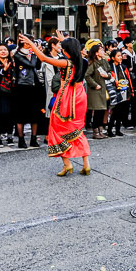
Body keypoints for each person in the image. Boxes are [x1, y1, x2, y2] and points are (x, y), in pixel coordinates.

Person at [19, 33, 92, 177]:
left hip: (67, 96)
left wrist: (30, 43)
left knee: (56, 129)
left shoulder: (67, 62)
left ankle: (67, 164)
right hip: (80, 95)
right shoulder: (83, 60)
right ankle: (86, 164)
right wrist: (65, 41)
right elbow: (73, 48)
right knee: (77, 130)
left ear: (66, 51)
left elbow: (44, 58)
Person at [14, 36, 44, 148]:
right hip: (22, 87)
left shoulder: (32, 54)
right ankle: (21, 139)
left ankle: (33, 138)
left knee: (35, 114)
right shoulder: (18, 54)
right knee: (21, 114)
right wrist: (35, 54)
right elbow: (30, 64)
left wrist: (36, 53)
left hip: (33, 86)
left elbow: (38, 66)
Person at [84, 43, 109, 140]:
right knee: (97, 110)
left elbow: (109, 72)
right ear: (96, 53)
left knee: (102, 110)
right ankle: (95, 130)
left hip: (103, 88)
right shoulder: (92, 62)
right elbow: (87, 75)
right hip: (95, 90)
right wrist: (95, 85)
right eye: (101, 50)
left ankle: (100, 130)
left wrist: (107, 76)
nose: (103, 52)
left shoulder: (104, 61)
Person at [106, 48, 133, 137]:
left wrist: (130, 91)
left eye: (121, 55)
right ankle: (110, 130)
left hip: (124, 90)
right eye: (118, 56)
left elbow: (128, 79)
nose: (120, 57)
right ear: (113, 58)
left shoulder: (123, 67)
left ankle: (118, 129)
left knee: (121, 111)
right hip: (114, 91)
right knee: (114, 111)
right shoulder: (109, 67)